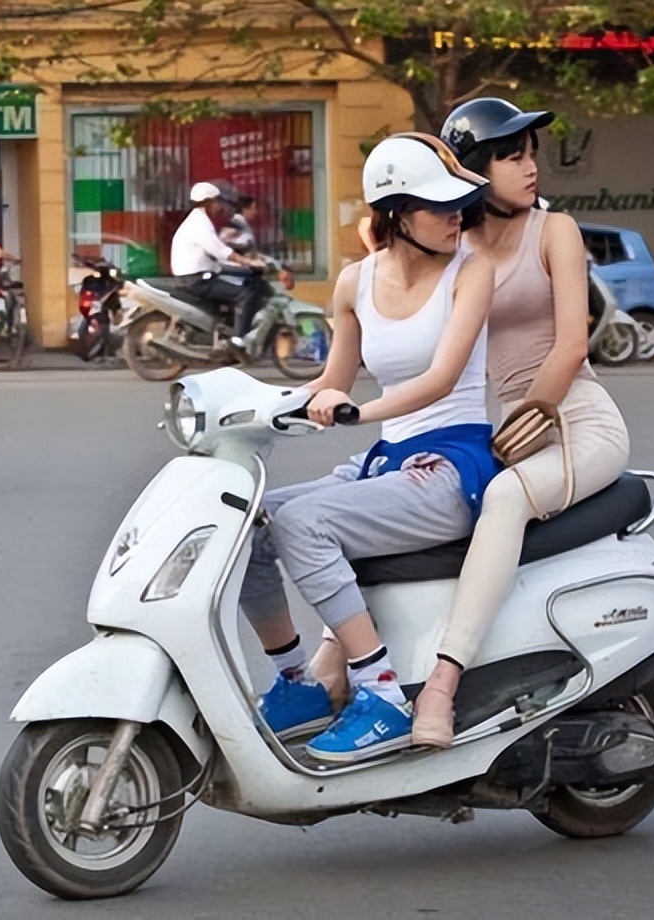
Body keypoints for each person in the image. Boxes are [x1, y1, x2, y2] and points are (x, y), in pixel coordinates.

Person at [352, 97, 628, 748]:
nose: (531, 168)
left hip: (574, 423)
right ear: (475, 169)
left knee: (502, 500)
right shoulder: (456, 245)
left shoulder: (553, 231)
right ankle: (344, 674)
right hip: (496, 432)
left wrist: (533, 414)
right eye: (512, 156)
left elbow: (570, 348)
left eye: (530, 154)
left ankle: (443, 687)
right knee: (381, 500)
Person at [238, 132, 498, 763]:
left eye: (459, 203)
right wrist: (258, 407)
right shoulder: (355, 282)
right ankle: (297, 682)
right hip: (385, 463)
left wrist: (360, 412)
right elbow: (332, 381)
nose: (456, 216)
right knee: (246, 523)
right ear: (397, 214)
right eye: (439, 206)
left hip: (448, 468)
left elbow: (439, 378)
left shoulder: (472, 272)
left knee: (303, 522)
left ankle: (380, 693)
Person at [170, 181, 269, 354]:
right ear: (208, 202)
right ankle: (238, 341)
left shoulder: (198, 220)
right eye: (216, 202)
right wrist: (248, 262)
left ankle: (227, 328)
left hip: (202, 273)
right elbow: (220, 251)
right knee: (247, 292)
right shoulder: (200, 224)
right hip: (197, 280)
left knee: (242, 279)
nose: (218, 206)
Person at [220, 192, 295, 289]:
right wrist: (277, 269)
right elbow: (244, 252)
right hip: (237, 277)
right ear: (244, 209)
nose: (255, 212)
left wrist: (278, 266)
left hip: (237, 275)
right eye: (253, 208)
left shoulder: (240, 224)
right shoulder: (237, 224)